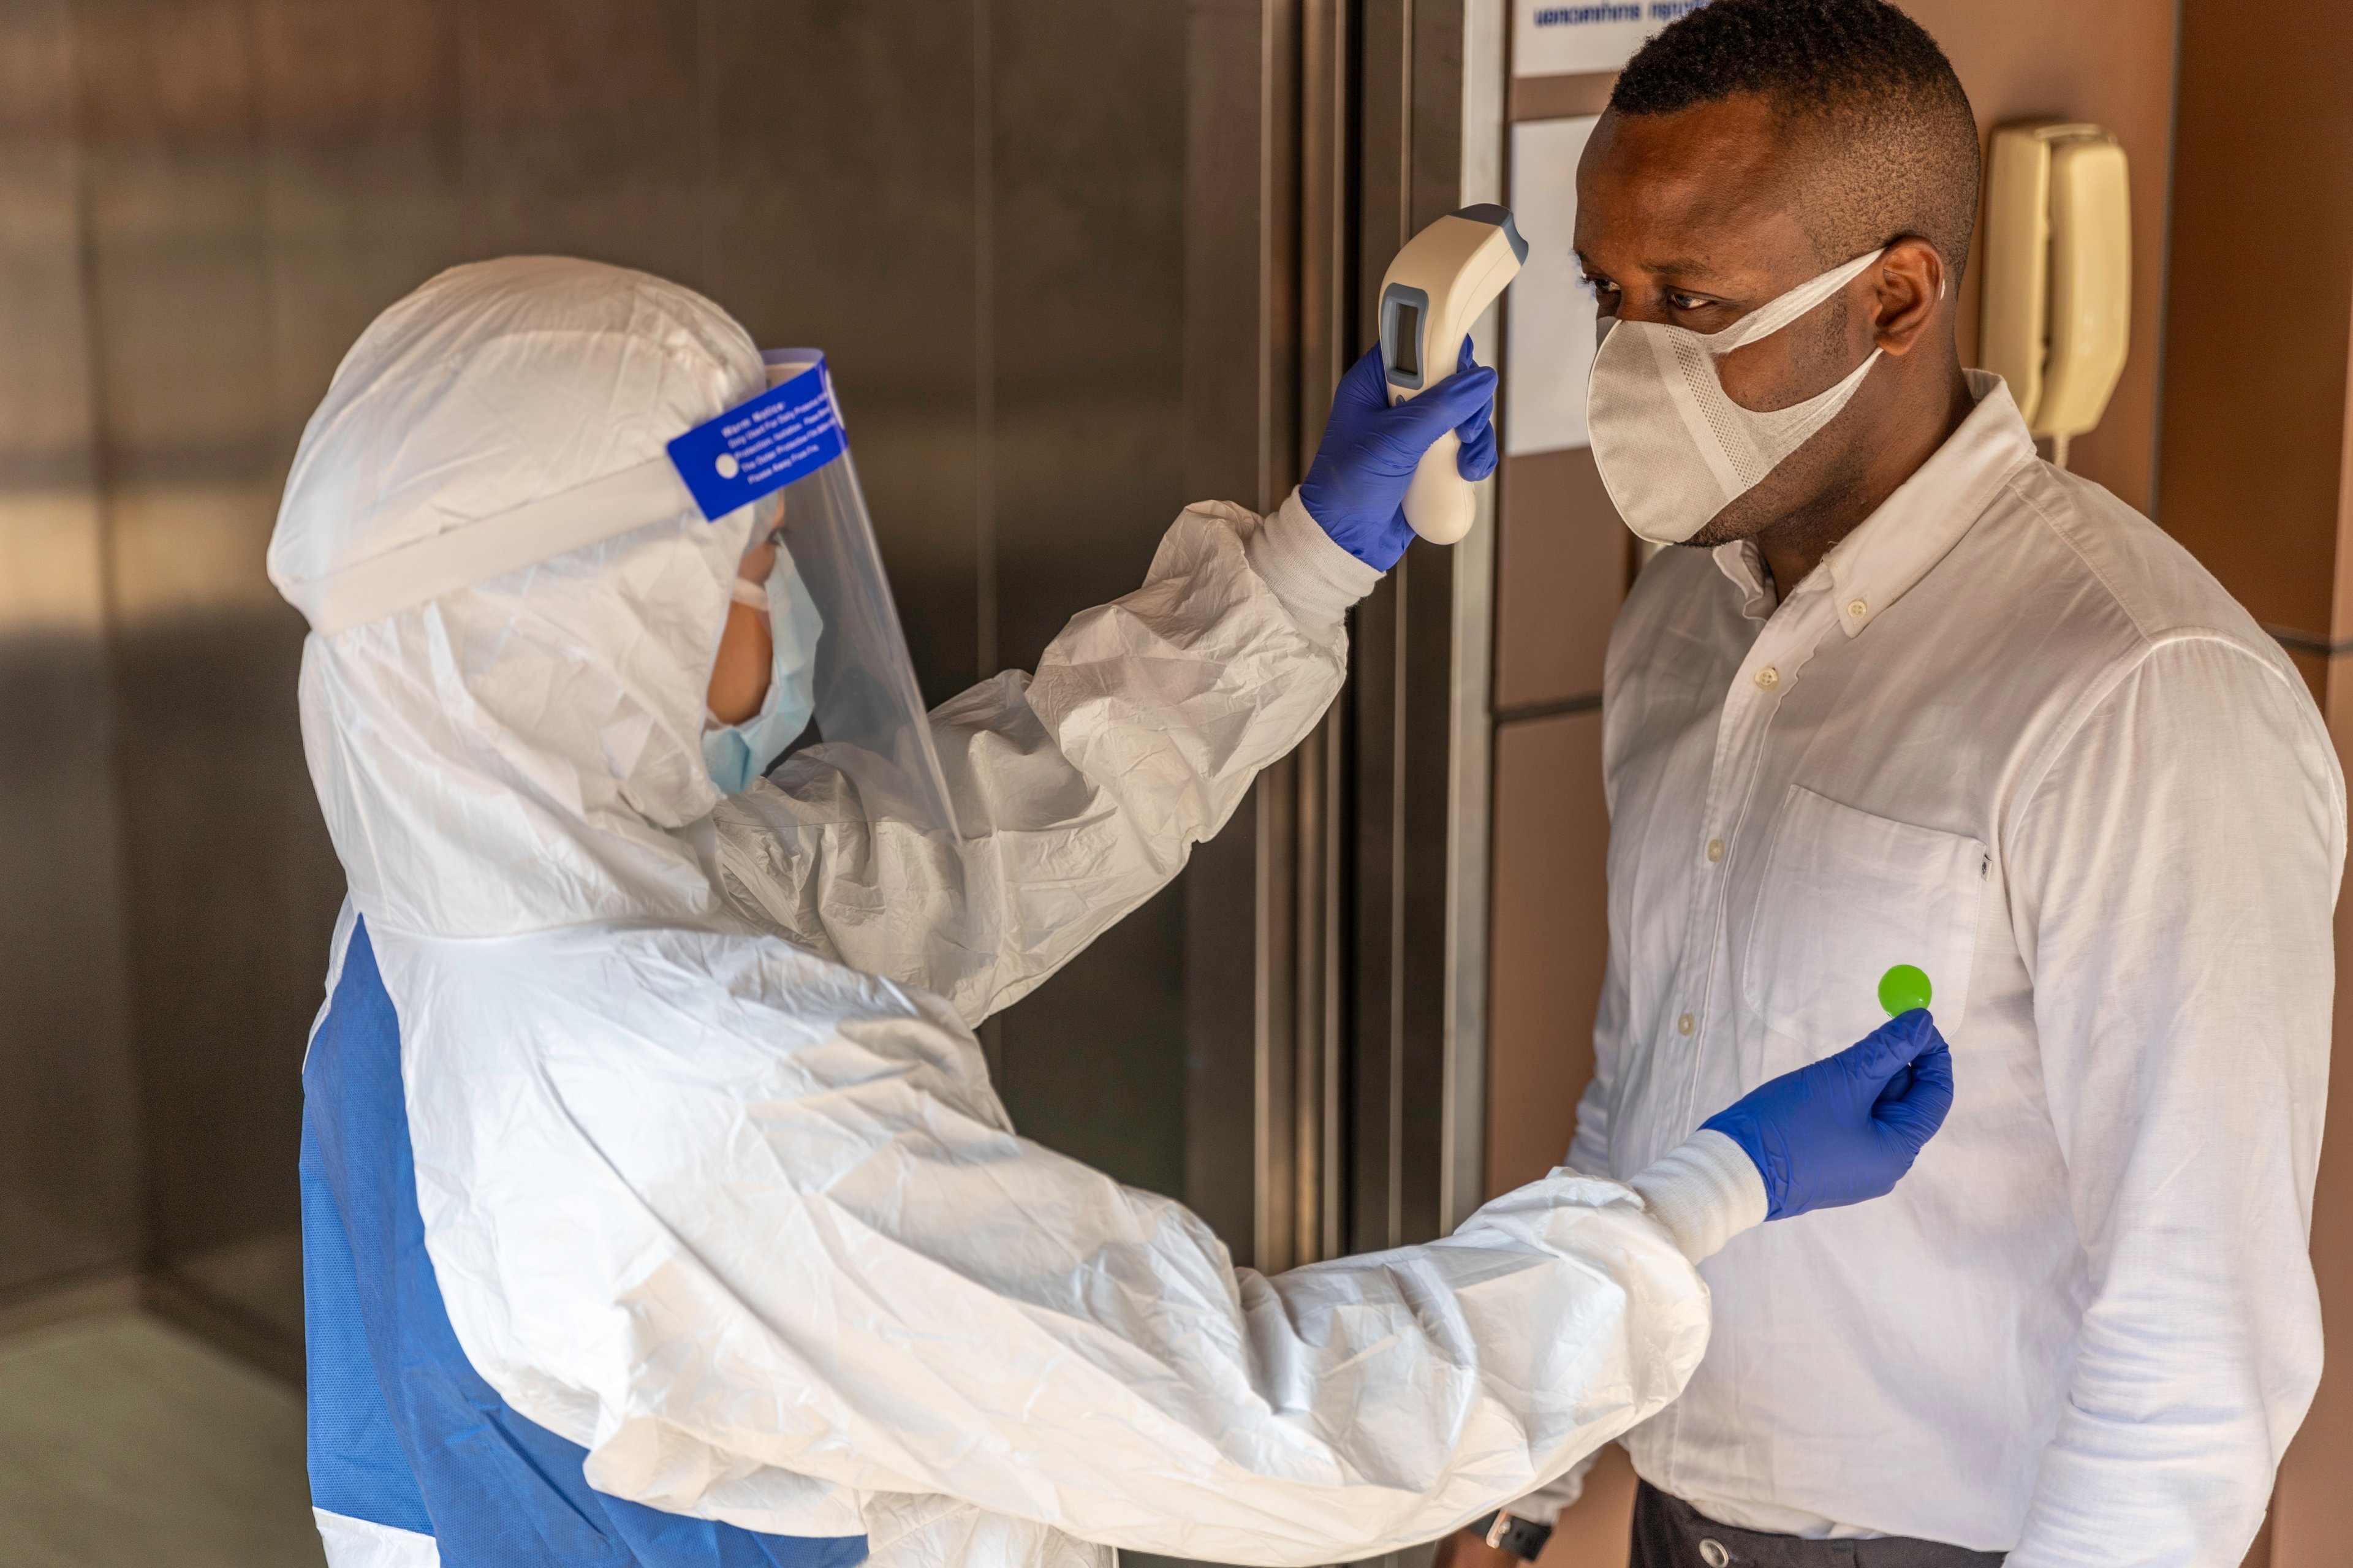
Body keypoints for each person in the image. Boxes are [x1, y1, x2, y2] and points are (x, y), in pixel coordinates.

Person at [271, 254, 1953, 1568]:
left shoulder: (444, 942)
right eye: (752, 568)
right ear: (572, 627)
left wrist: (1298, 569)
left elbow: (937, 859)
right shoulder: (693, 1101)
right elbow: (1260, 1418)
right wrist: (1701, 1204)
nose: (778, 616)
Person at [1434, 4, 2346, 1567]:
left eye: (1692, 303)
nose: (1630, 361)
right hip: (1682, 1521)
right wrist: (1514, 1479)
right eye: (1611, 298)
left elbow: (2195, 1338)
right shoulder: (1678, 629)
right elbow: (1639, 1088)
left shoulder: (2136, 693)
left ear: (1898, 297)